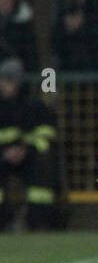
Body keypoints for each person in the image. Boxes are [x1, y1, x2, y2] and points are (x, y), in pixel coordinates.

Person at [0, 57, 59, 230]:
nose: (3, 85)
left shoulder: (34, 106)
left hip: (30, 157)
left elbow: (46, 136)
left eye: (7, 81)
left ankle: (38, 221)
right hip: (3, 157)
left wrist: (26, 150)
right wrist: (5, 152)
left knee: (42, 167)